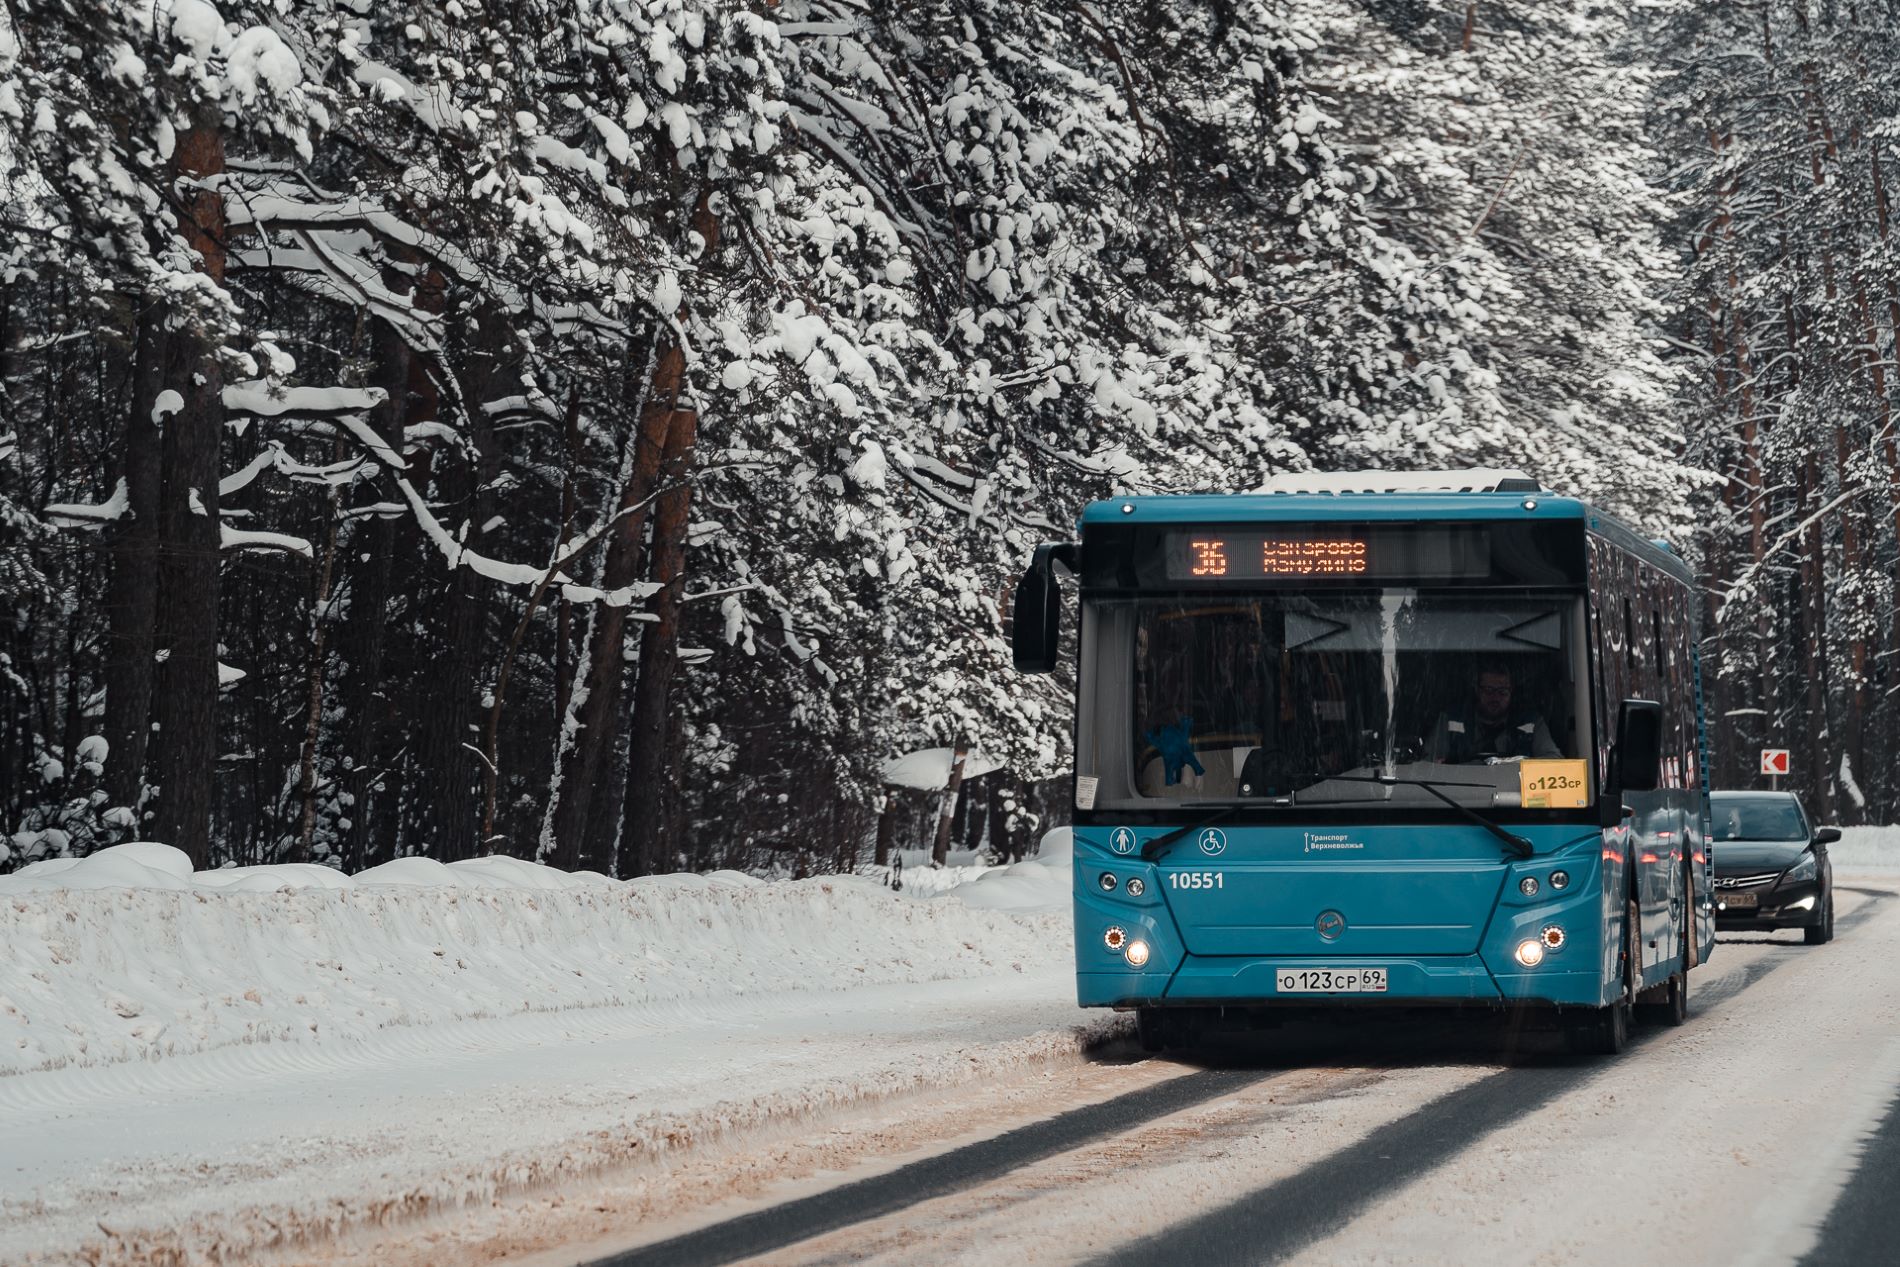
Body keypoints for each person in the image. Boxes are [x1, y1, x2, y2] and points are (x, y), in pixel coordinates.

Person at [1427, 661, 1561, 763]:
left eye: (1502, 692)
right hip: (1456, 794)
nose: (1495, 698)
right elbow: (1429, 762)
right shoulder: (1451, 719)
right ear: (1477, 690)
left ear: (1512, 692)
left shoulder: (1531, 722)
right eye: (1488, 690)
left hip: (1514, 794)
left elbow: (1553, 760)